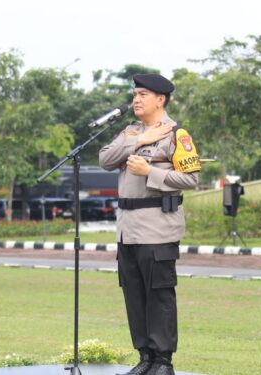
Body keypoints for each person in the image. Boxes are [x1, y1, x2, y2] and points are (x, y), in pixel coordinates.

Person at [99, 73, 200, 375]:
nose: (137, 100)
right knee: (134, 294)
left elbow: (191, 179)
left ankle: (163, 361)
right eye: (134, 95)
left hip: (158, 227)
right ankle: (145, 357)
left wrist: (150, 173)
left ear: (161, 99)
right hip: (128, 229)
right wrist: (138, 142)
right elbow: (105, 159)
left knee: (159, 295)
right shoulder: (131, 132)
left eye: (143, 94)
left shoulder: (176, 135)